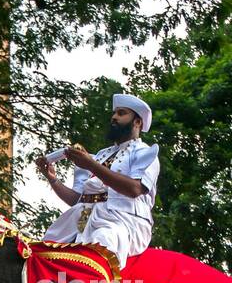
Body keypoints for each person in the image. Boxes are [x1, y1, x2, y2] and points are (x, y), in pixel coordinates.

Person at [36, 91, 160, 269]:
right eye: (114, 113)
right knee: (47, 247)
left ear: (137, 122)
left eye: (121, 113)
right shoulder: (101, 155)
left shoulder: (144, 152)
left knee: (101, 241)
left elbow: (134, 189)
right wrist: (53, 179)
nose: (114, 117)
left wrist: (91, 165)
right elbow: (78, 199)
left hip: (122, 221)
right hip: (83, 217)